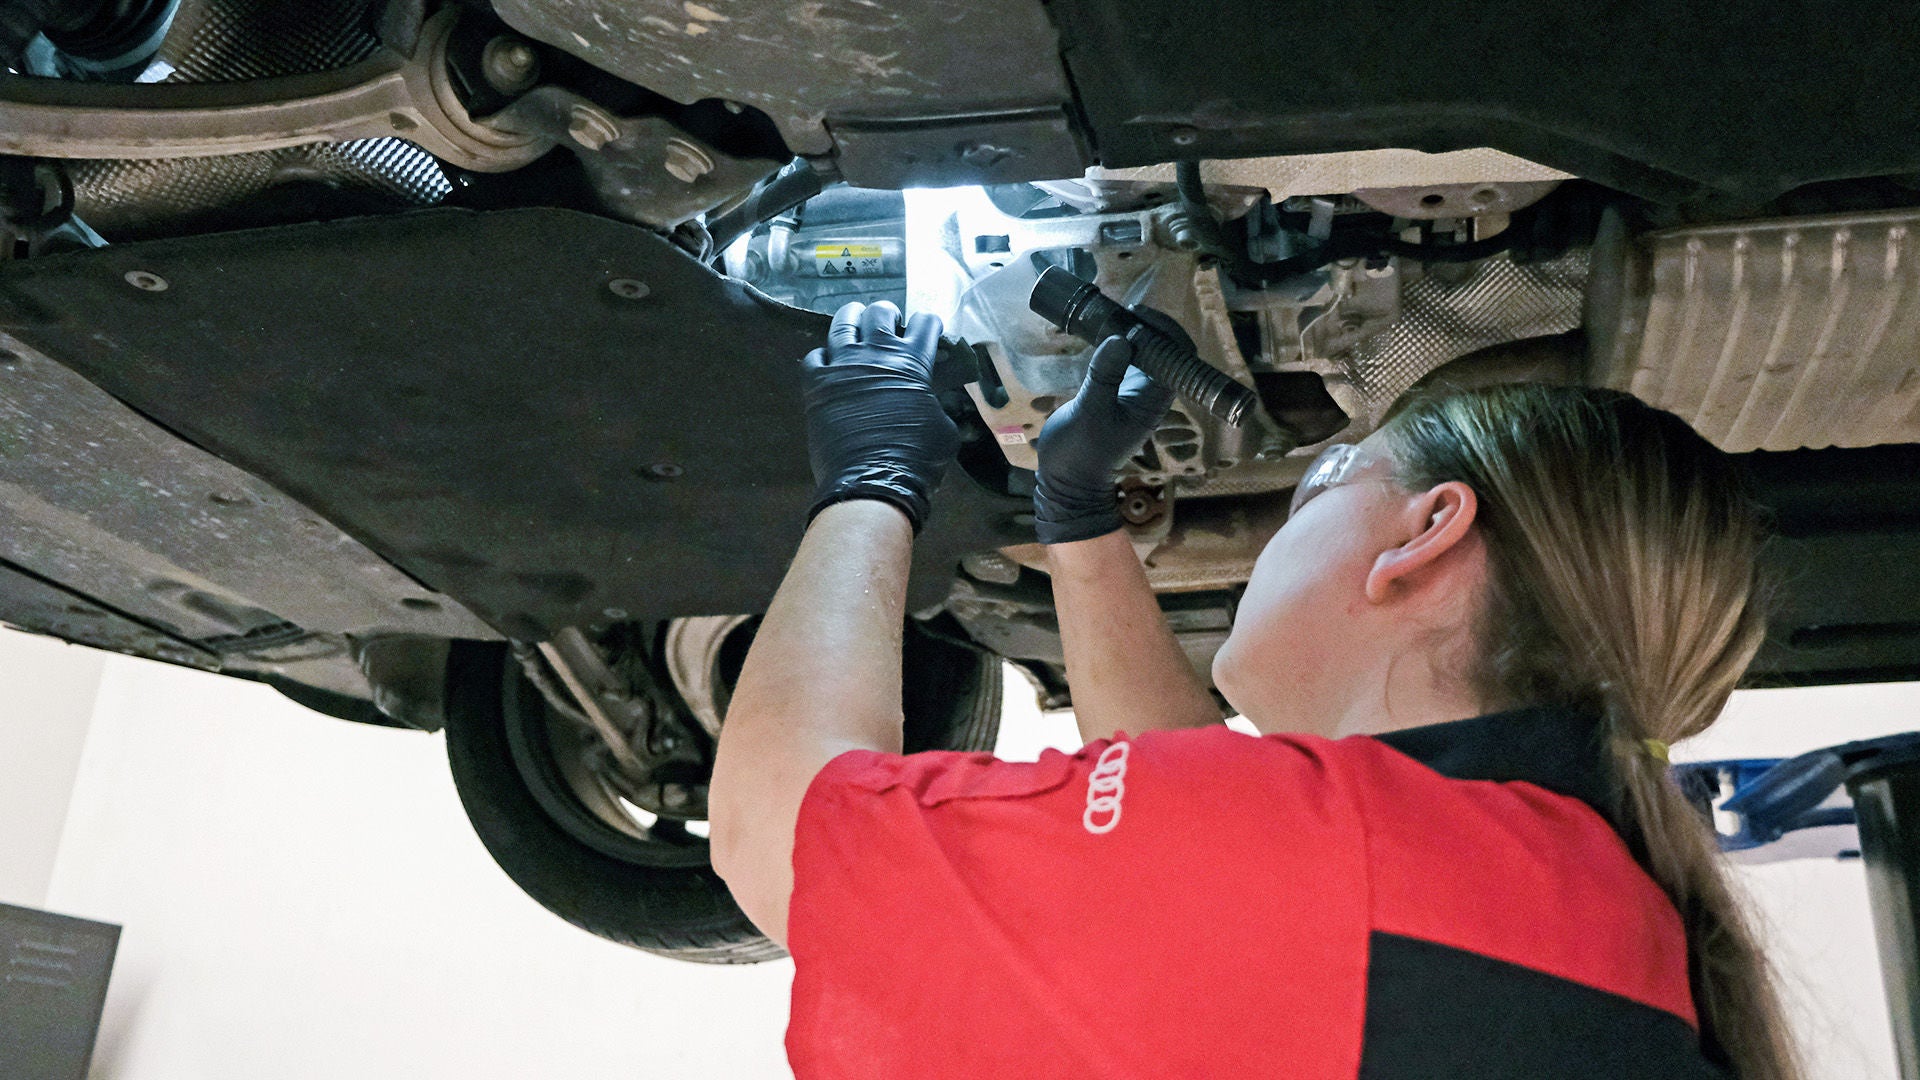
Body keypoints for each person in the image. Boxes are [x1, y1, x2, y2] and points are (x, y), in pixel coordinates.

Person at [708, 299, 1799, 1079]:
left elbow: (780, 834)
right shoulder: (1560, 894)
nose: (1288, 516)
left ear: (1425, 536)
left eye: (1327, 479)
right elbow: (1202, 908)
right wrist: (1080, 520)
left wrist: (869, 479)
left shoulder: (1368, 870)